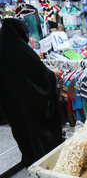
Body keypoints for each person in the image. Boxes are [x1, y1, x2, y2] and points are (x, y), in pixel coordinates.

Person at [0, 18, 63, 167]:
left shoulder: (2, 48)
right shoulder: (21, 50)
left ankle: (29, 159)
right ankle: (44, 161)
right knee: (37, 130)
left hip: (11, 103)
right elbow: (40, 73)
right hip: (30, 101)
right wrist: (52, 73)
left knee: (21, 129)